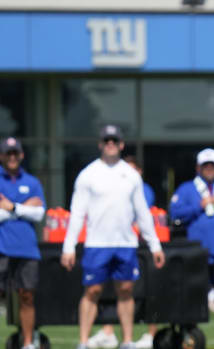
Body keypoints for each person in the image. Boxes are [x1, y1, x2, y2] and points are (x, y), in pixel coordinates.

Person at [61, 125, 166, 349]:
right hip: (96, 244)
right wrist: (68, 246)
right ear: (100, 144)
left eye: (114, 140)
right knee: (92, 291)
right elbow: (77, 212)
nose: (110, 144)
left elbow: (142, 213)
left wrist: (155, 245)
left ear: (120, 144)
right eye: (106, 140)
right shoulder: (88, 174)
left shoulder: (131, 176)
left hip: (125, 244)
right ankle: (83, 342)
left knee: (126, 290)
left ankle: (127, 341)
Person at [87, 155, 158, 349]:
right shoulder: (111, 185)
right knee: (106, 289)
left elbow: (140, 214)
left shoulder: (143, 189)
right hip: (112, 244)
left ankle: (134, 338)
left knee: (133, 291)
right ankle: (108, 332)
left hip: (136, 245)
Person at [0, 137, 46, 349]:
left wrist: (11, 207)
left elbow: (39, 214)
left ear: (21, 155)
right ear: (2, 156)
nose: (12, 157)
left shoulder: (32, 182)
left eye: (15, 153)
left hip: (27, 249)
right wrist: (23, 208)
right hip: (2, 248)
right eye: (8, 153)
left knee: (27, 296)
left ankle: (28, 344)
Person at [169, 147, 214, 264]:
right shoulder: (186, 188)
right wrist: (198, 206)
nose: (209, 168)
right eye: (205, 165)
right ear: (198, 168)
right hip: (196, 254)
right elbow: (174, 213)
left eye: (213, 165)